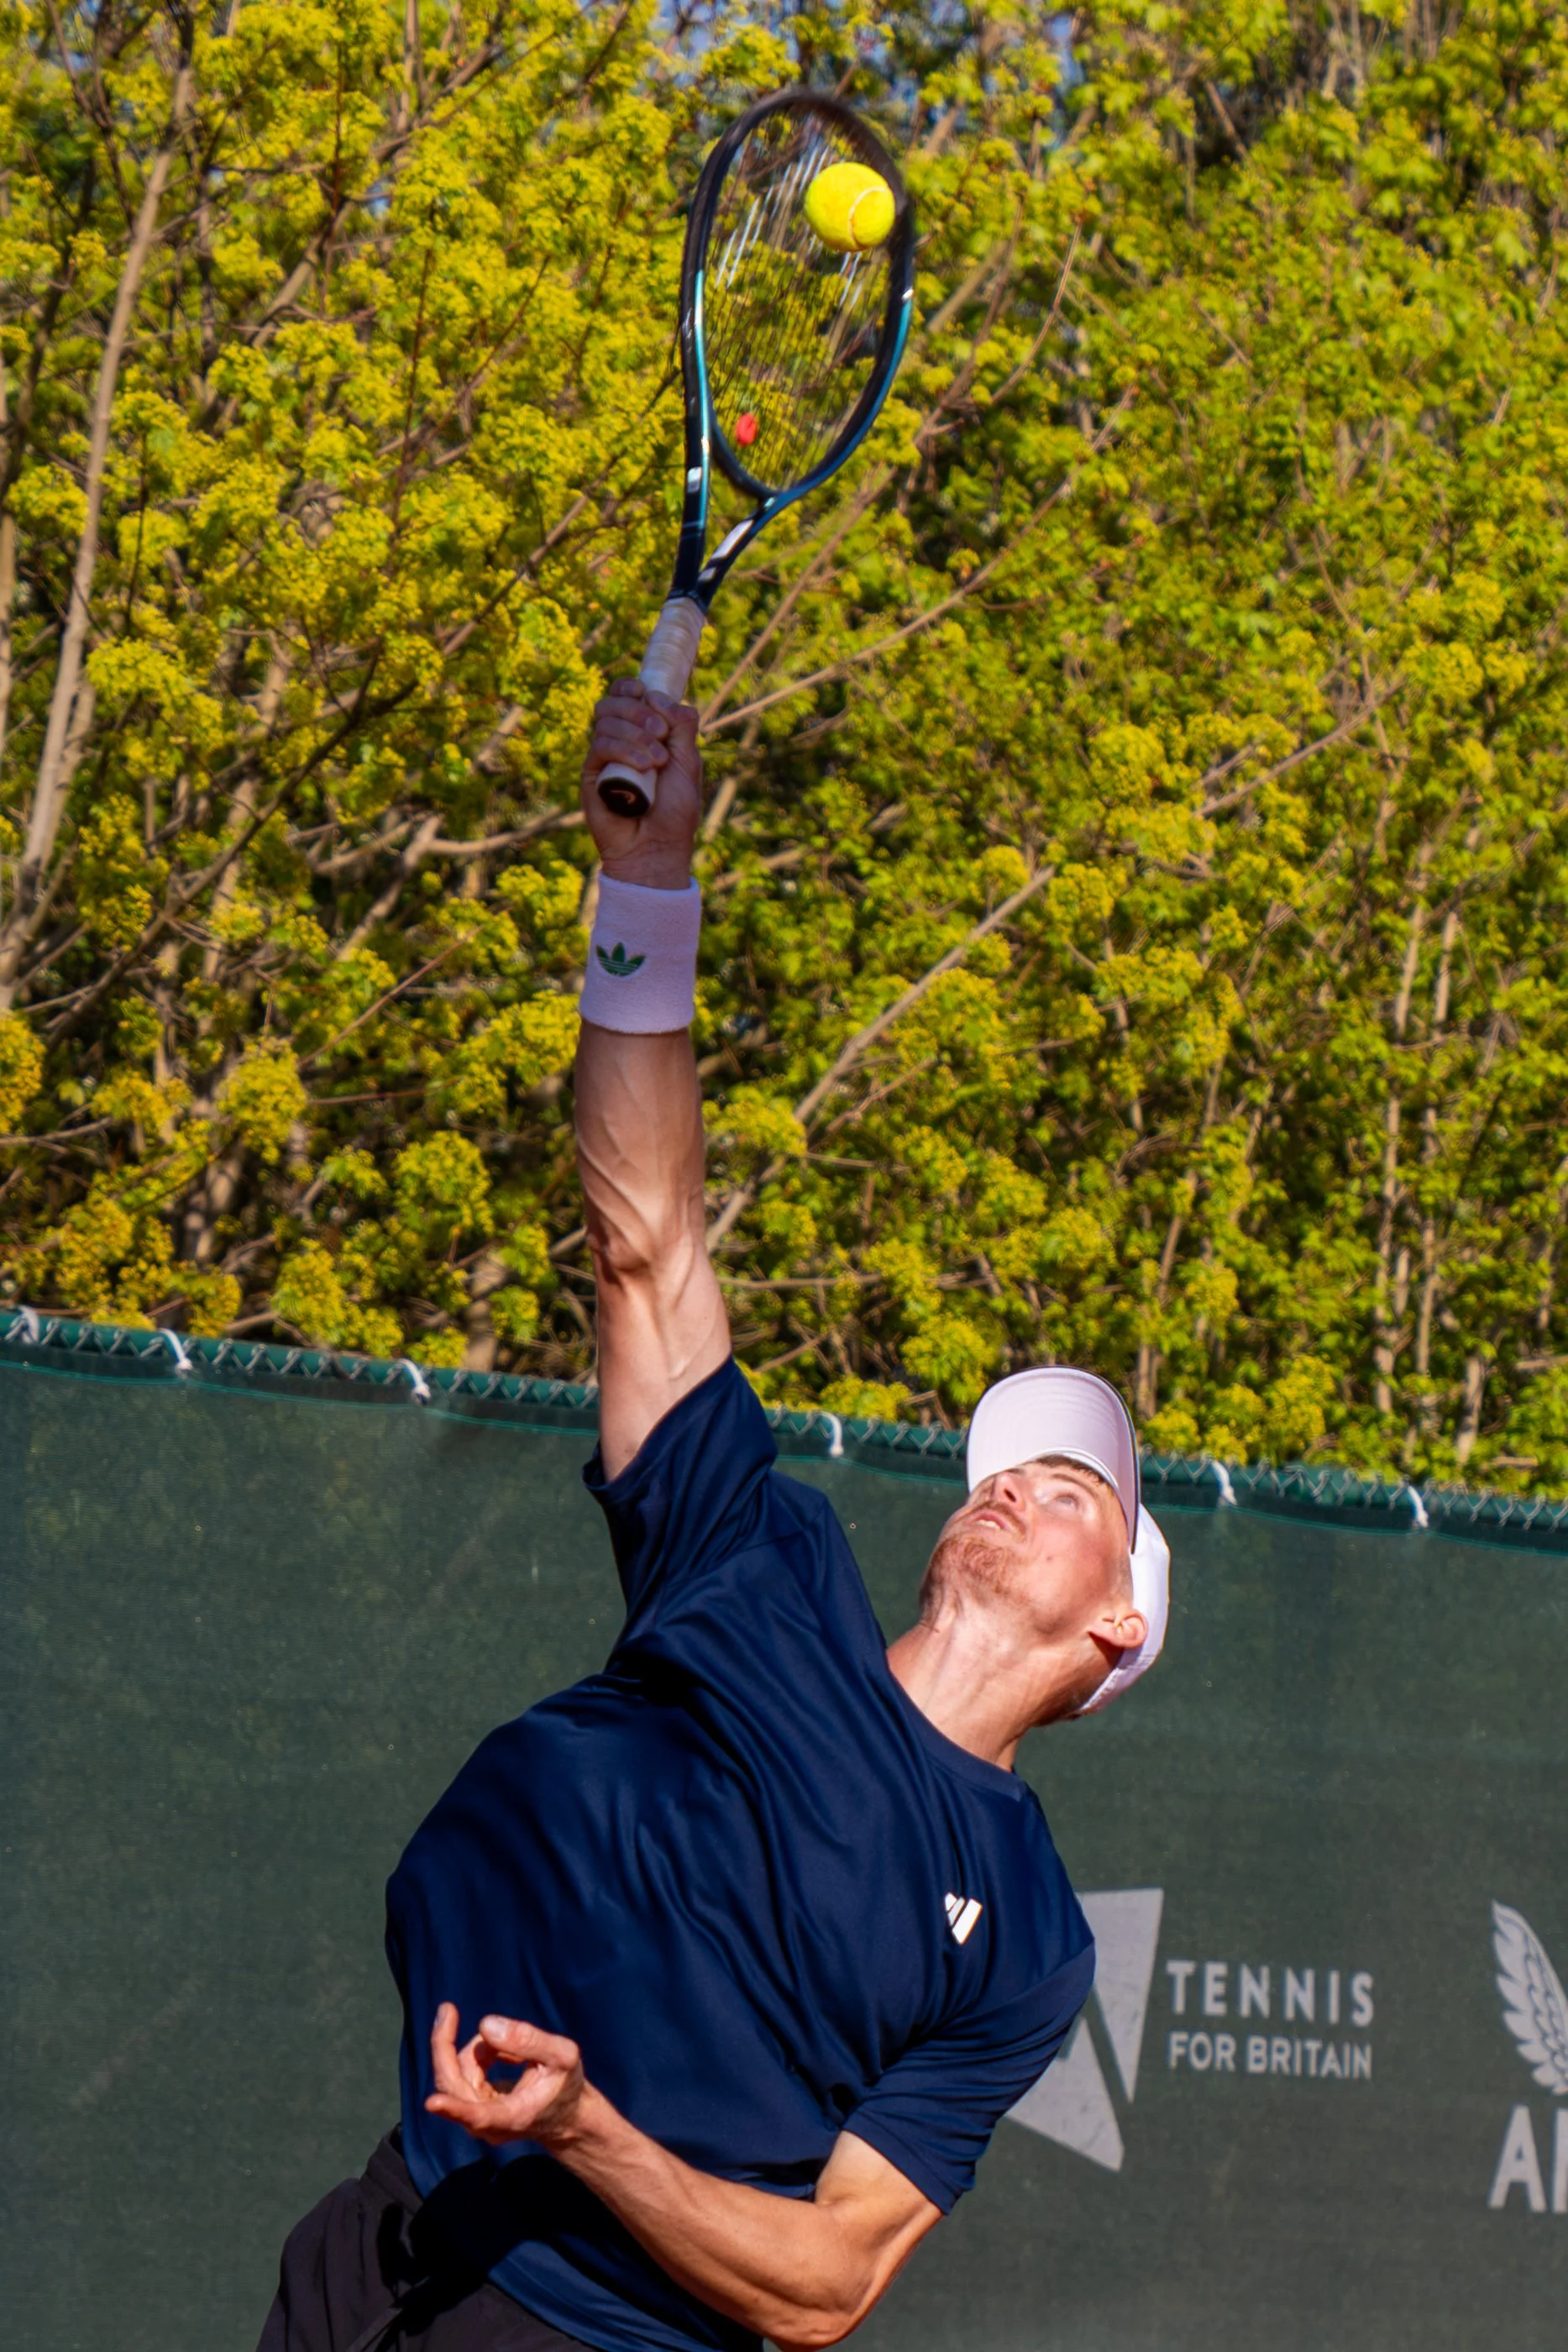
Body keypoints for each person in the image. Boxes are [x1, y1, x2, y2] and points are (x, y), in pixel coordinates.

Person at [257, 680, 1171, 2352]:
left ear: (1119, 1628)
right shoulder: (763, 1562)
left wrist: (587, 2128)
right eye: (1012, 1456)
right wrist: (647, 890)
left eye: (1082, 1487)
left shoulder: (1027, 1934)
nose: (1021, 1478)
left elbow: (827, 2282)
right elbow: (647, 1235)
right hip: (390, 2234)